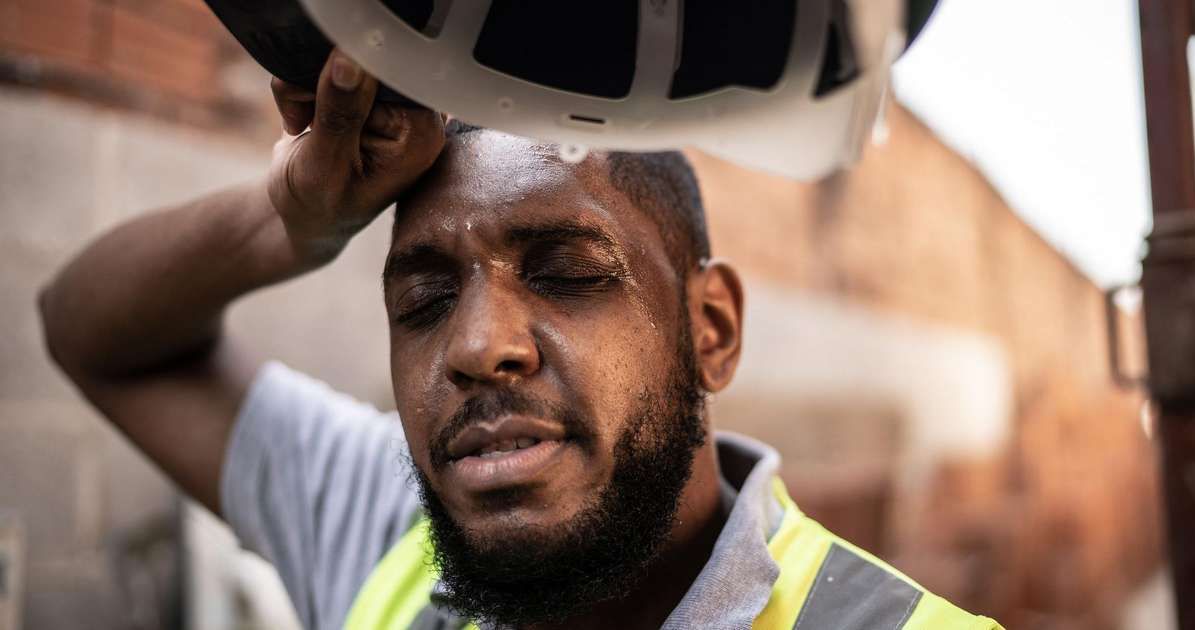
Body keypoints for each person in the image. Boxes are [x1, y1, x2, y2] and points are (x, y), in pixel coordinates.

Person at [39, 49, 1002, 630]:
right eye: (421, 299)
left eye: (568, 273)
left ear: (709, 330)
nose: (476, 344)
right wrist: (294, 218)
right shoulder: (385, 523)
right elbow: (89, 330)